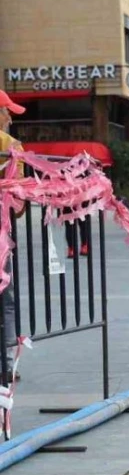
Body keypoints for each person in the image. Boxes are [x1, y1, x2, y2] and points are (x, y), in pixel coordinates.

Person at [0, 90, 24, 382]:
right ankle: (4, 364)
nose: (9, 119)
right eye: (7, 112)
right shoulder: (10, 146)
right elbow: (18, 205)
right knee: (4, 298)